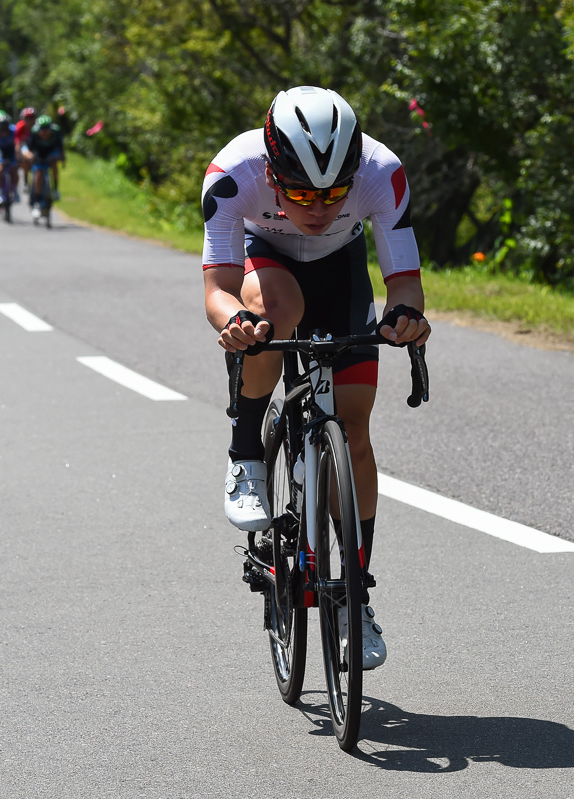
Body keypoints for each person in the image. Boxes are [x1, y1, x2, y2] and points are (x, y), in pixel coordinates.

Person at [201, 86, 431, 670]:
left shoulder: (384, 172)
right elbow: (218, 289)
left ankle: (356, 601)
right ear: (272, 173)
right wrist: (235, 324)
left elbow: (404, 282)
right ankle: (246, 450)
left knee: (353, 434)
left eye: (334, 193)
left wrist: (405, 317)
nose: (319, 208)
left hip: (341, 272)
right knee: (273, 311)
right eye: (301, 193)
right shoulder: (233, 173)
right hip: (266, 265)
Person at [20, 114, 64, 211]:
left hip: (51, 152)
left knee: (54, 165)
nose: (44, 133)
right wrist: (29, 156)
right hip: (38, 154)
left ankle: (55, 189)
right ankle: (37, 200)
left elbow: (60, 147)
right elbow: (29, 148)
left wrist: (62, 158)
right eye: (41, 130)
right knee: (39, 175)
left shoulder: (56, 131)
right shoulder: (34, 132)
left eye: (46, 130)